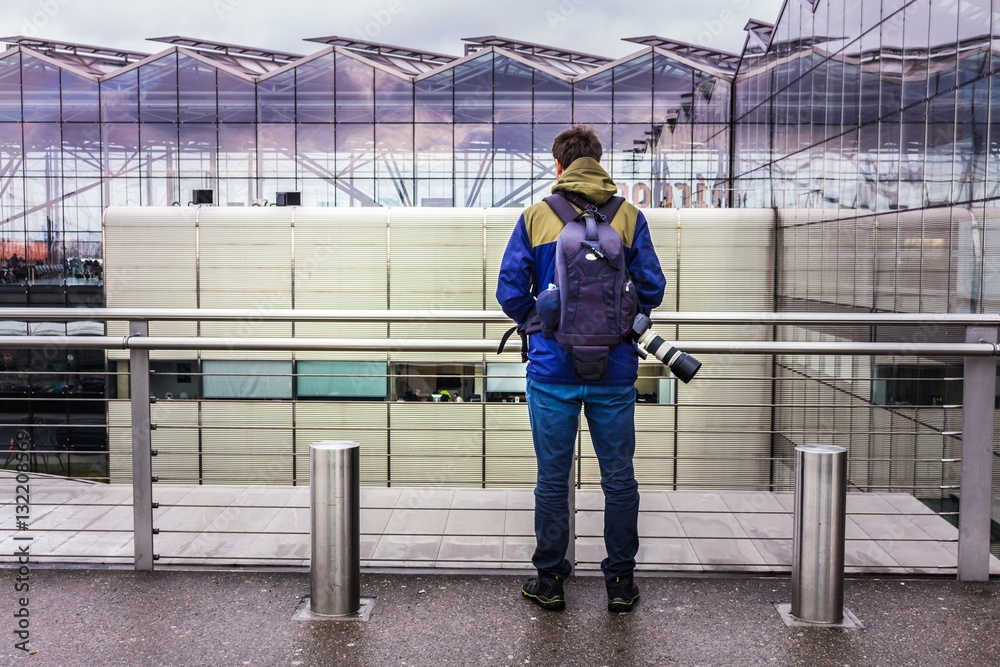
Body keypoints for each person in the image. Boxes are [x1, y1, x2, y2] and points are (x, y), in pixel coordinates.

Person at [496, 125, 666, 613]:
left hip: (552, 372)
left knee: (552, 479)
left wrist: (542, 324)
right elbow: (652, 289)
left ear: (559, 167)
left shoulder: (535, 217)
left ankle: (549, 581)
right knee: (619, 480)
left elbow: (510, 291)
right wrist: (617, 323)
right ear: (598, 162)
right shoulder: (629, 216)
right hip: (613, 372)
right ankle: (620, 583)